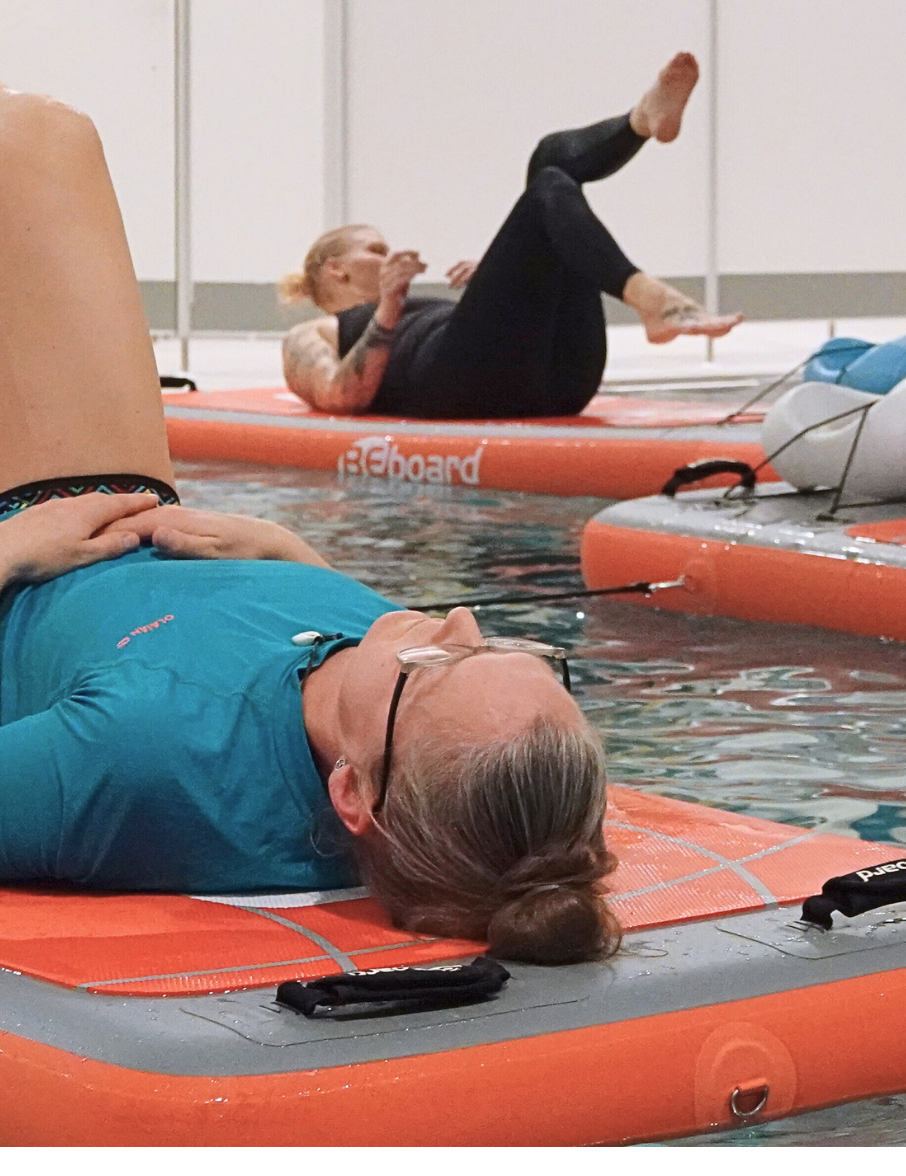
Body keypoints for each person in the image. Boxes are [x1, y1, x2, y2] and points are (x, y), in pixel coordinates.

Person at [0, 84, 619, 963]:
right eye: (496, 646)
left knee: (23, 135)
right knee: (49, 133)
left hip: (22, 543)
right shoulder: (404, 709)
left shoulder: (135, 766)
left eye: (444, 664)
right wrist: (291, 555)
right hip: (121, 490)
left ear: (353, 794)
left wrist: (6, 553)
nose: (455, 621)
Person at [280, 53, 741, 418]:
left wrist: (505, 275)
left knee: (549, 162)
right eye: (375, 250)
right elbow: (342, 398)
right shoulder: (311, 333)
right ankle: (652, 300)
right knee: (547, 188)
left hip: (560, 378)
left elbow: (491, 328)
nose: (389, 253)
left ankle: (641, 122)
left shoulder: (413, 307)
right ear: (335, 270)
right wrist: (386, 310)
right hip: (460, 386)